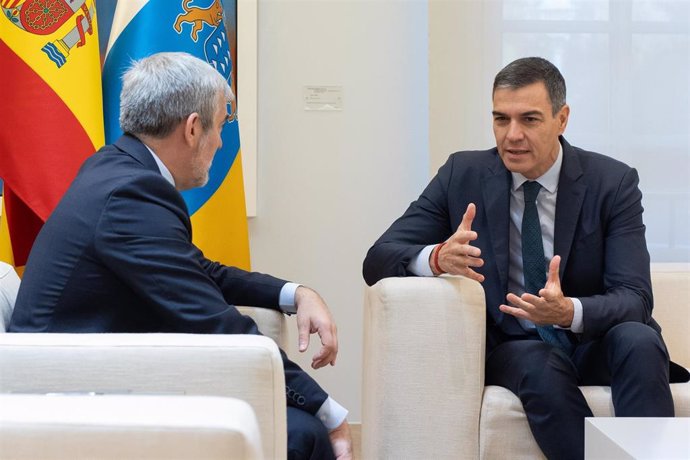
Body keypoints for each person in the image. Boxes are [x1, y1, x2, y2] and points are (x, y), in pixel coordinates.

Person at [10, 52, 352, 460]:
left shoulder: (117, 168)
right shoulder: (130, 194)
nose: (222, 142)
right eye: (222, 125)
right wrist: (325, 409)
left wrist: (294, 293)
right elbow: (212, 321)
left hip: (95, 369)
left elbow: (196, 270)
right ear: (193, 128)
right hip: (72, 395)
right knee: (304, 433)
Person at [363, 57, 688, 459]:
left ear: (562, 118)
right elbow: (378, 259)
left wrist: (568, 311)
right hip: (518, 346)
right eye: (501, 119)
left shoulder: (612, 183)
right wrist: (436, 258)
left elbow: (635, 298)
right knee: (539, 363)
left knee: (639, 339)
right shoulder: (462, 173)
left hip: (593, 339)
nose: (511, 135)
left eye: (529, 120)